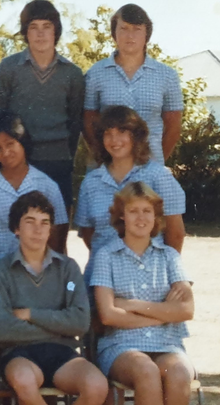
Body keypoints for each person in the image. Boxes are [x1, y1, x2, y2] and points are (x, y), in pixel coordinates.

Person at [91, 182, 206, 405]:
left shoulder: (169, 256)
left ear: (156, 217)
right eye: (133, 211)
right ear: (122, 216)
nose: (141, 217)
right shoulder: (107, 256)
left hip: (167, 343)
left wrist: (133, 304)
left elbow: (186, 309)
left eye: (147, 211)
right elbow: (108, 315)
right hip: (121, 346)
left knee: (180, 373)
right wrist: (161, 312)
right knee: (145, 371)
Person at [0, 191, 106, 405]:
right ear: (16, 228)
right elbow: (2, 328)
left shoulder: (67, 272)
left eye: (45, 222)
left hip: (62, 354)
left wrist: (30, 315)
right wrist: (54, 323)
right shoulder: (1, 272)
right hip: (19, 355)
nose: (39, 229)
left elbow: (79, 320)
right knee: (25, 380)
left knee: (96, 385)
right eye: (30, 222)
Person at [75, 106, 185, 281]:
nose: (114, 140)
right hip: (102, 276)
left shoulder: (159, 177)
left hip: (149, 276)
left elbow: (175, 232)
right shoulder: (91, 182)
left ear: (136, 136)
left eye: (122, 131)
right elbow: (89, 234)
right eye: (108, 133)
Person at [0, 0, 85, 210]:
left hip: (58, 161)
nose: (40, 34)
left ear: (56, 31)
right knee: (18, 229)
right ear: (25, 32)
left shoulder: (72, 73)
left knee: (56, 231)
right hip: (19, 161)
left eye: (47, 27)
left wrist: (65, 154)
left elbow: (75, 122)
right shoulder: (9, 68)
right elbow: (1, 116)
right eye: (33, 27)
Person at [0, 113, 68, 290]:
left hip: (37, 279)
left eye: (10, 144)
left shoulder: (46, 186)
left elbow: (58, 239)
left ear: (23, 141)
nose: (5, 152)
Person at [84, 4, 184, 165]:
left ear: (147, 35)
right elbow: (88, 122)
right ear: (114, 33)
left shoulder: (167, 76)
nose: (130, 35)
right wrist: (103, 157)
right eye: (124, 28)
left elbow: (173, 127)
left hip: (150, 168)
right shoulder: (95, 73)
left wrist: (154, 163)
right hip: (107, 167)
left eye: (137, 29)